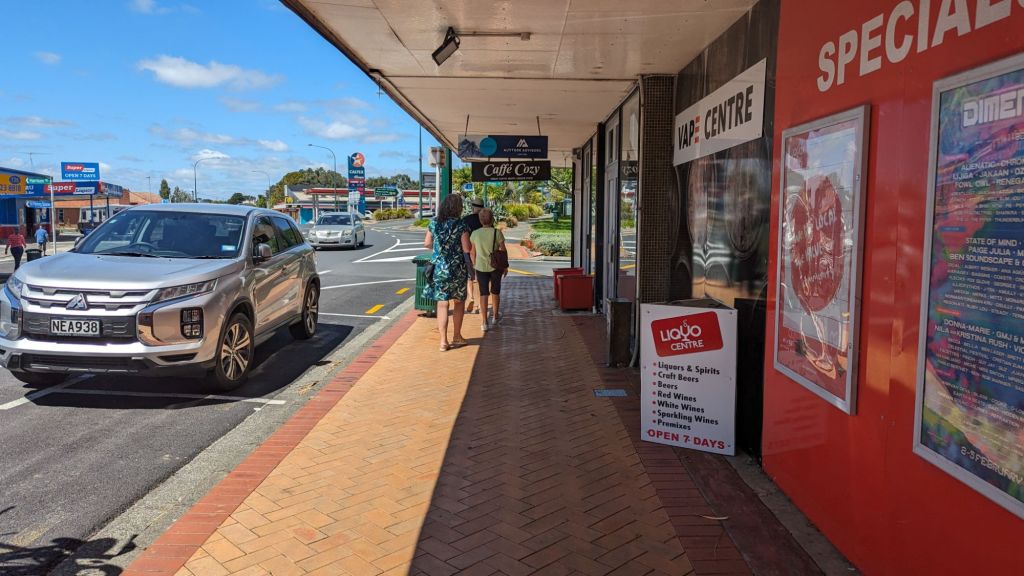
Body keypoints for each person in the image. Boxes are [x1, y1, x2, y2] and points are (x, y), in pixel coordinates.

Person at [424, 195, 472, 351]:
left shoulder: (434, 222)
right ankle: (457, 336)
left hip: (439, 269)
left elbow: (427, 243)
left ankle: (443, 341)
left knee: (442, 304)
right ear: (458, 208)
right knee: (458, 302)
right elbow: (467, 248)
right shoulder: (461, 224)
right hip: (457, 269)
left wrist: (438, 249)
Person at [469, 208, 507, 332]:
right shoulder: (497, 233)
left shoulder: (475, 234)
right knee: (495, 291)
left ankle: (484, 322)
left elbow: (472, 252)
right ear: (492, 219)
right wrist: (505, 266)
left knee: (483, 293)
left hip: (480, 266)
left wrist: (474, 264)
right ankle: (495, 316)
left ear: (480, 220)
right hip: (496, 266)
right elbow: (503, 250)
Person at [462, 198, 484, 314]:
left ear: (472, 207)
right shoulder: (484, 219)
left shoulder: (465, 220)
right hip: (482, 252)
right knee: (480, 279)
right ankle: (480, 305)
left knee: (469, 277)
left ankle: (471, 297)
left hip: (468, 251)